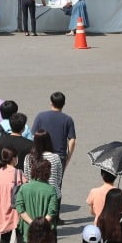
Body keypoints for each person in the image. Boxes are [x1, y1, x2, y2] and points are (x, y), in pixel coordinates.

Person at [14, 160, 57, 243]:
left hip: (26, 230)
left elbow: (20, 208)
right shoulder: (51, 190)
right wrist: (41, 224)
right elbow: (52, 211)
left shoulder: (24, 188)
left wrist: (32, 222)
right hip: (46, 232)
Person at [32, 91, 76, 223]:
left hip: (41, 154)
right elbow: (72, 140)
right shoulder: (67, 119)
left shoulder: (40, 116)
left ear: (51, 102)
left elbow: (33, 134)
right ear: (63, 104)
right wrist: (68, 156)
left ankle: (39, 212)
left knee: (40, 181)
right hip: (59, 155)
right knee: (56, 185)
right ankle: (54, 216)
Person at [0, 100, 32, 166]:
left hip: (2, 169)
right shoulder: (24, 126)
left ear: (1, 113)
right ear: (15, 112)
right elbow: (31, 148)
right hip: (21, 169)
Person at [23, 130, 63, 208]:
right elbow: (59, 178)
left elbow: (27, 177)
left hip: (34, 193)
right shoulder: (55, 157)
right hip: (52, 193)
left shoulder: (29, 157)